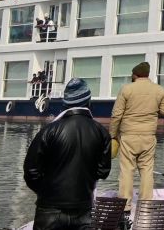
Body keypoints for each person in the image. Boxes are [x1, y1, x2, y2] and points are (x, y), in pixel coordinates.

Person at [23, 79, 111, 230]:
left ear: (65, 103)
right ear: (88, 101)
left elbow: (31, 171)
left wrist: (46, 192)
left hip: (50, 207)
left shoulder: (49, 131)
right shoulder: (101, 132)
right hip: (83, 206)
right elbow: (103, 171)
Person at [110, 62, 164, 217]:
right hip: (148, 136)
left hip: (128, 136)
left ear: (135, 75)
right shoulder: (159, 90)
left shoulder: (126, 89)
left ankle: (125, 206)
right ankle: (146, 205)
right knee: (147, 170)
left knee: (127, 170)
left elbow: (116, 115)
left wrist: (112, 134)